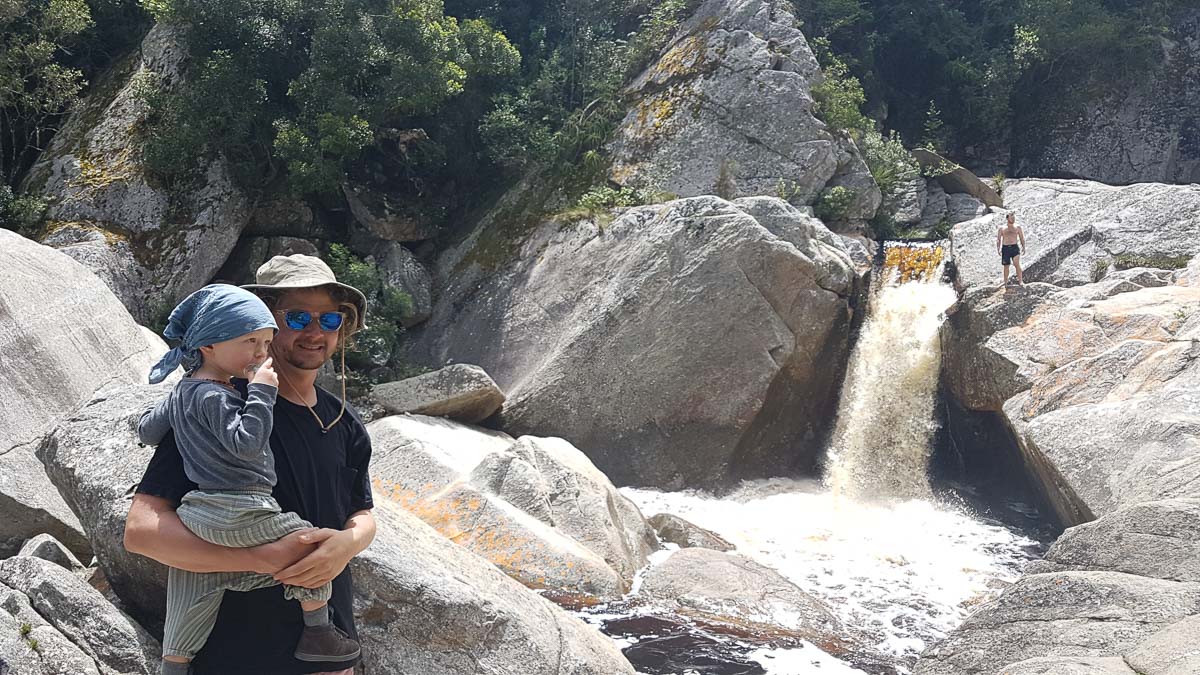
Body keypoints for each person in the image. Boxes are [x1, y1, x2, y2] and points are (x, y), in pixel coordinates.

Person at [125, 256, 377, 675]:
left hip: (327, 654)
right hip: (236, 654)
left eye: (330, 319)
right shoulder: (219, 404)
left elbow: (361, 513)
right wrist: (261, 558)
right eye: (298, 318)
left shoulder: (344, 420)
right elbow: (141, 533)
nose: (316, 332)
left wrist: (347, 545)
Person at [997, 212, 1026, 286]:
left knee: (1017, 264)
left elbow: (1021, 237)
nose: (1013, 219)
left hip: (1014, 247)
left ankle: (1020, 281)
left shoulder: (1017, 227)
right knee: (1006, 266)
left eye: (1014, 217)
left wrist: (1023, 247)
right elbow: (999, 239)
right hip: (1005, 248)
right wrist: (998, 248)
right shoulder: (1002, 228)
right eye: (1011, 217)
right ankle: (1005, 282)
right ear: (1007, 218)